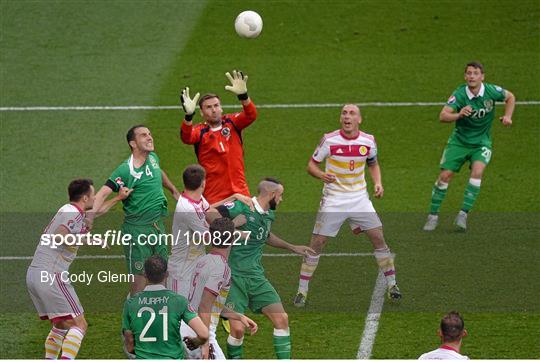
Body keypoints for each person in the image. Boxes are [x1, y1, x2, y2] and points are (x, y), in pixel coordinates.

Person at [293, 104, 402, 308]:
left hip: (359, 198)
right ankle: (302, 290)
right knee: (317, 243)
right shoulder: (329, 139)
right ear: (340, 118)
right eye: (344, 113)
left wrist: (378, 183)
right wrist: (321, 174)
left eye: (352, 113)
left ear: (359, 119)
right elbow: (311, 165)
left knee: (378, 236)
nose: (347, 116)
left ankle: (393, 284)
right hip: (334, 199)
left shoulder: (368, 141)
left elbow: (372, 163)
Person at [26, 179, 129, 359]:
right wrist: (92, 240)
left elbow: (96, 212)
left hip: (35, 275)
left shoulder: (70, 211)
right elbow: (59, 237)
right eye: (93, 194)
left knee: (61, 325)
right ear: (84, 197)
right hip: (51, 275)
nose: (95, 197)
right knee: (79, 325)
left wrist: (118, 198)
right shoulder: (72, 214)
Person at [216, 178, 315, 359]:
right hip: (233, 278)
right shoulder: (241, 206)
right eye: (280, 195)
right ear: (271, 194)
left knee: (282, 319)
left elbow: (265, 235)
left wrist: (291, 246)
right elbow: (209, 214)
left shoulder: (268, 214)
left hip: (256, 277)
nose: (281, 200)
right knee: (237, 330)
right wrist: (232, 220)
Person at [423, 62, 515, 231]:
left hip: (481, 143)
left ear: (482, 77)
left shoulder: (491, 91)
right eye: (469, 73)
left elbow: (510, 97)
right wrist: (459, 114)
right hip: (459, 142)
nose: (472, 76)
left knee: (478, 171)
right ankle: (433, 215)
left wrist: (508, 116)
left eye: (476, 73)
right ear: (465, 77)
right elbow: (443, 116)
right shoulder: (459, 94)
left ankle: (463, 214)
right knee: (445, 176)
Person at [90, 125, 181, 295]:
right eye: (143, 135)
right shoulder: (125, 169)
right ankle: (134, 314)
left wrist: (173, 190)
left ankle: (161, 313)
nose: (149, 137)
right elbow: (103, 193)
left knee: (162, 271)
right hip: (137, 230)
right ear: (133, 143)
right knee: (140, 276)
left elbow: (158, 172)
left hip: (157, 226)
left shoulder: (153, 157)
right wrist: (89, 218)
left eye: (149, 134)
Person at [167, 164, 252, 298]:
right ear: (203, 183)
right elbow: (213, 238)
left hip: (195, 265)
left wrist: (233, 197)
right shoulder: (187, 209)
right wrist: (237, 227)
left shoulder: (196, 198)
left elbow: (209, 210)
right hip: (182, 271)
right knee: (181, 314)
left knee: (195, 310)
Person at [181, 217, 258, 359]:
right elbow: (205, 305)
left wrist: (238, 316)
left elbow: (210, 303)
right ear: (233, 239)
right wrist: (205, 344)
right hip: (200, 333)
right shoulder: (221, 268)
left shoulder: (203, 261)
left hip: (187, 328)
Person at [179, 70, 257, 204]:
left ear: (221, 108)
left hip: (240, 192)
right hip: (216, 196)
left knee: (247, 224)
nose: (214, 110)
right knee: (220, 226)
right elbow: (187, 137)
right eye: (208, 107)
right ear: (202, 113)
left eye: (216, 106)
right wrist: (188, 117)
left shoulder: (232, 122)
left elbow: (251, 115)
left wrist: (244, 96)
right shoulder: (200, 131)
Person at [122, 255, 209, 359]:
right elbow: (204, 334)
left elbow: (130, 344)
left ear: (145, 274)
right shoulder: (179, 301)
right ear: (167, 274)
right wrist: (195, 342)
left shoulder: (131, 304)